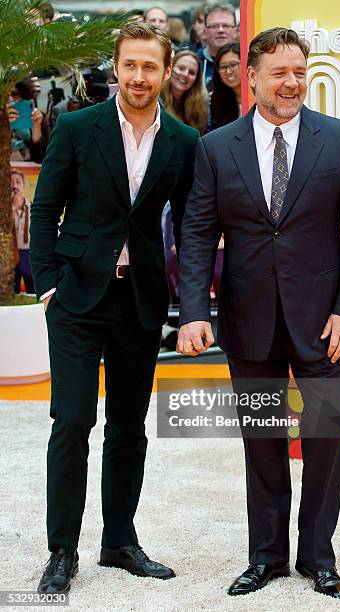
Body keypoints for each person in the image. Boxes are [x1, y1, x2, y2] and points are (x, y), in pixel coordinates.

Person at [177, 27, 340, 599]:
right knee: (262, 443)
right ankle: (265, 556)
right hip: (250, 323)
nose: (291, 83)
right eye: (279, 73)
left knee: (323, 443)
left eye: (299, 72)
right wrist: (195, 310)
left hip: (325, 325)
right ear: (252, 77)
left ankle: (318, 556)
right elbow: (197, 233)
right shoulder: (216, 147)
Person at [30, 22, 199, 595]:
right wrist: (47, 283)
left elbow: (192, 228)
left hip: (140, 298)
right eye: (130, 65)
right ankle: (61, 551)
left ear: (165, 72)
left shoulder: (183, 142)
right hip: (76, 296)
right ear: (117, 68)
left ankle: (119, 541)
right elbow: (46, 203)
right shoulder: (77, 128)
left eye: (150, 67)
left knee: (130, 427)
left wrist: (188, 300)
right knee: (72, 421)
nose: (139, 76)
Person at [161, 50, 208, 134]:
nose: (185, 74)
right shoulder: (156, 100)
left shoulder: (200, 106)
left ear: (196, 80)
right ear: (170, 69)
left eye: (191, 72)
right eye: (181, 68)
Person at [8, 77, 50, 163]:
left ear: (24, 95)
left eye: (14, 94)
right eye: (5, 95)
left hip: (31, 173)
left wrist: (36, 129)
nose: (10, 98)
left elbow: (46, 156)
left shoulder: (38, 117)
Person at [197, 2, 237, 91]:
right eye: (214, 26)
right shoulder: (194, 63)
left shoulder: (247, 60)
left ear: (235, 31)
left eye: (226, 25)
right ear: (204, 31)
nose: (220, 30)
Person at [11, 170, 34, 294]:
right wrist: (12, 207)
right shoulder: (4, 212)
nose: (14, 186)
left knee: (32, 288)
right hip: (11, 254)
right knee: (11, 289)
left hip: (28, 252)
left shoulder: (33, 208)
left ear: (23, 185)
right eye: (11, 183)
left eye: (18, 182)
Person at [209, 42, 241, 130]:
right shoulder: (219, 101)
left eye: (233, 65)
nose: (228, 72)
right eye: (223, 67)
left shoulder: (259, 97)